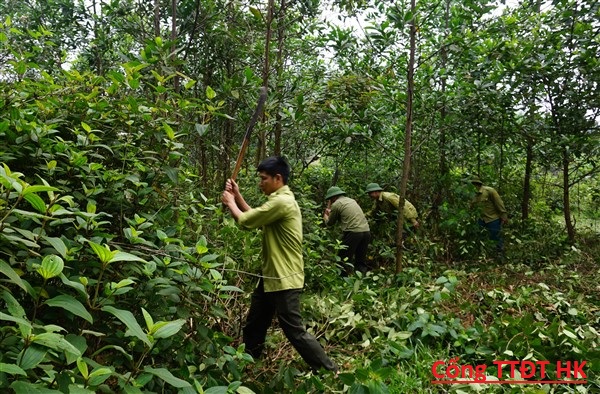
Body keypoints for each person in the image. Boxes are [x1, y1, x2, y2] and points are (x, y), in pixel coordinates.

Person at [221, 156, 338, 373]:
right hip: (271, 277)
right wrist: (237, 197)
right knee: (256, 321)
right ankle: (249, 362)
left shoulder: (281, 202)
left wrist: (229, 203)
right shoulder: (279, 200)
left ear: (278, 178)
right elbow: (256, 217)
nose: (260, 182)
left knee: (294, 330)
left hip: (284, 277)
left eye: (264, 179)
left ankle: (329, 370)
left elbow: (246, 221)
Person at [323, 186, 371, 275]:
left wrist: (325, 216)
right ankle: (362, 279)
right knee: (360, 259)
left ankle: (341, 278)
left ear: (333, 197)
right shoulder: (351, 200)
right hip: (366, 231)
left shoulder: (336, 204)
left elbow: (330, 223)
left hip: (354, 233)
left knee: (343, 257)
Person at [469, 175, 508, 258]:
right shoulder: (473, 195)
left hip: (493, 219)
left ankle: (500, 255)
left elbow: (499, 203)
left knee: (495, 237)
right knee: (480, 238)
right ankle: (483, 255)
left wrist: (504, 216)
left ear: (476, 184)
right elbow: (471, 208)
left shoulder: (489, 191)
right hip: (481, 220)